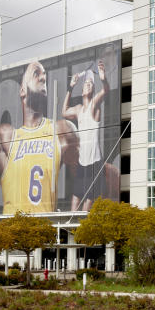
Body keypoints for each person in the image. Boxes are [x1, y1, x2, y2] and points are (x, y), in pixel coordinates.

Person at [0, 60, 75, 214]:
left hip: (44, 230)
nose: (43, 78)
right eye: (36, 74)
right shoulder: (7, 136)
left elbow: (85, 177)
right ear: (22, 90)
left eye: (45, 76)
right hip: (10, 231)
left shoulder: (61, 130)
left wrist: (71, 220)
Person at [62, 60, 109, 211]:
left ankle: (82, 231)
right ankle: (70, 232)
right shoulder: (78, 109)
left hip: (95, 164)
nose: (88, 84)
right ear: (82, 91)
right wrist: (70, 87)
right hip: (82, 163)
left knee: (87, 203)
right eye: (86, 83)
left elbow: (105, 90)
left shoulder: (94, 104)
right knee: (75, 200)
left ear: (93, 90)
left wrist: (103, 79)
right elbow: (63, 112)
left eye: (91, 83)